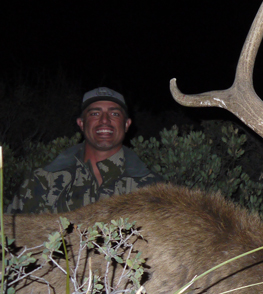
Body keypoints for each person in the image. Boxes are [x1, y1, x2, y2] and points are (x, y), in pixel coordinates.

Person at [7, 87, 162, 214]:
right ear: (81, 123)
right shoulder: (41, 182)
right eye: (95, 113)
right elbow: (11, 239)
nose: (104, 120)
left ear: (127, 124)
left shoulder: (154, 189)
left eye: (114, 114)